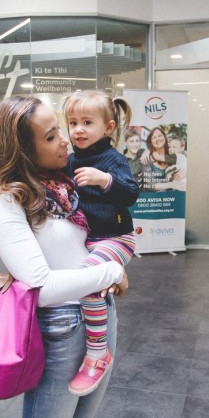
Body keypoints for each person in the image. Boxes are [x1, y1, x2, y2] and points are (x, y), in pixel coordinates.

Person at [0, 95, 128, 418]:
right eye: (50, 136)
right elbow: (41, 286)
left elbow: (98, 236)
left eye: (60, 129)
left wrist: (109, 265)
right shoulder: (6, 202)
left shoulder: (68, 184)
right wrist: (110, 270)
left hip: (100, 319)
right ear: (23, 151)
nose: (66, 140)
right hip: (60, 333)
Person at [63, 90, 139, 395]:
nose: (78, 130)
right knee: (87, 282)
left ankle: (97, 353)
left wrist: (104, 179)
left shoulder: (112, 159)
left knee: (88, 279)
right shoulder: (70, 160)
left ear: (108, 127)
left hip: (116, 238)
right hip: (88, 240)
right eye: (73, 123)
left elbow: (131, 193)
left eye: (87, 122)